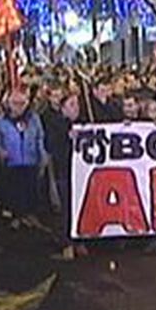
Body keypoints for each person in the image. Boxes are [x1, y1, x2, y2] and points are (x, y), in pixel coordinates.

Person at [0, 89, 47, 228]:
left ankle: (30, 215)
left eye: (22, 103)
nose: (19, 106)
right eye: (15, 103)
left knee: (31, 189)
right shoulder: (0, 121)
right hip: (12, 162)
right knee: (14, 190)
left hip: (31, 160)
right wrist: (0, 154)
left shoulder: (34, 118)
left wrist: (42, 156)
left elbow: (40, 137)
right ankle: (16, 216)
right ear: (8, 103)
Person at [44, 91, 87, 259]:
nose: (76, 108)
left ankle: (78, 239)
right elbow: (51, 146)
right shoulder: (55, 124)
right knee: (65, 208)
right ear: (62, 109)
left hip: (81, 174)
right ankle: (66, 242)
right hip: (64, 172)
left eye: (77, 104)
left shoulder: (82, 122)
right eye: (71, 105)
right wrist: (66, 137)